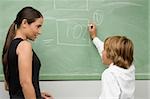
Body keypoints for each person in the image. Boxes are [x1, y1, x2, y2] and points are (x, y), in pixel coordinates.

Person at [2, 6, 53, 99]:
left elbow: (12, 86)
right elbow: (25, 83)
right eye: (38, 26)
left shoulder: (11, 45)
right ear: (24, 23)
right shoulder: (24, 46)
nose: (39, 32)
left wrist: (38, 94)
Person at [88, 23, 135, 99]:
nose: (102, 51)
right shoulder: (130, 68)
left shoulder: (110, 74)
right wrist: (94, 37)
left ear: (111, 55)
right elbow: (113, 54)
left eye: (104, 50)